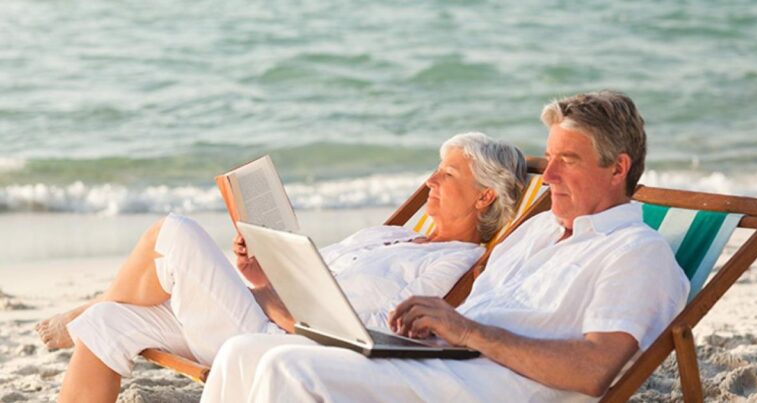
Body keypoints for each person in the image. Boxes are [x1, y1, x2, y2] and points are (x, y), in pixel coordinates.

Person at [199, 90, 690, 403]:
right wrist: (431, 329)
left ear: (618, 168)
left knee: (290, 367)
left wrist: (465, 330)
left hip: (489, 388)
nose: (551, 176)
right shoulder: (538, 231)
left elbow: (595, 370)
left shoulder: (636, 252)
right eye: (550, 157)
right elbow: (476, 315)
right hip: (443, 363)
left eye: (568, 161)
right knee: (245, 350)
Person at [52, 132, 528, 403]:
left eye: (447, 173)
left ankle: (80, 308)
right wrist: (261, 273)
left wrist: (269, 301)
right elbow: (312, 276)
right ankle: (91, 311)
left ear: (485, 195)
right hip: (257, 309)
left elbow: (362, 330)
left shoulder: (455, 263)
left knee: (174, 232)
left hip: (278, 341)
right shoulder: (394, 235)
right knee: (109, 321)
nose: (430, 179)